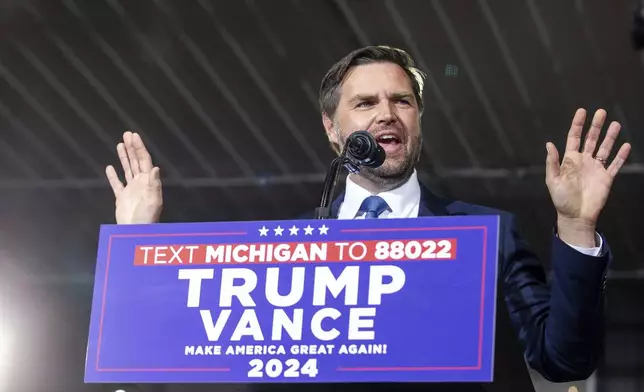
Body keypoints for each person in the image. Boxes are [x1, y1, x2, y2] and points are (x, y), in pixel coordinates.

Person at [105, 46, 631, 391]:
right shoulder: (278, 250)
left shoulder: (485, 236)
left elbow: (565, 360)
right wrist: (135, 252)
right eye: (366, 103)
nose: (387, 113)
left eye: (402, 101)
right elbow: (148, 365)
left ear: (418, 121)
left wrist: (577, 228)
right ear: (333, 131)